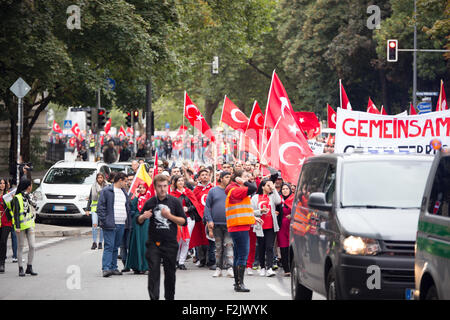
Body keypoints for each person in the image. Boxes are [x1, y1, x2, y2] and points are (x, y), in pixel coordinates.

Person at [137, 174, 187, 300]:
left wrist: (169, 216)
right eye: (159, 186)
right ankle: (154, 298)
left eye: (165, 186)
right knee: (153, 272)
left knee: (170, 273)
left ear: (168, 186)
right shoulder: (150, 202)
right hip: (154, 243)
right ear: (155, 187)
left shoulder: (175, 201)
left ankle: (169, 297)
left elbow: (183, 221)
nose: (162, 189)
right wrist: (143, 216)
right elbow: (138, 220)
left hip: (170, 243)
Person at [225, 169, 261, 292]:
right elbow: (253, 188)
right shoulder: (235, 190)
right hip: (239, 227)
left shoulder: (234, 190)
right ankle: (240, 284)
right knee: (242, 256)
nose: (248, 178)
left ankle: (237, 283)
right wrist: (244, 181)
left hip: (239, 226)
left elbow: (242, 209)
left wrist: (253, 218)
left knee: (238, 256)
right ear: (238, 179)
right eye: (245, 176)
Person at [97, 172, 131, 277]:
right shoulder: (107, 190)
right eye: (125, 181)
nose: (126, 183)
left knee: (116, 247)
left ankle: (113, 267)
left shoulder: (124, 192)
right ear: (120, 180)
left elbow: (127, 206)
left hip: (121, 223)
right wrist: (104, 221)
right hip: (110, 223)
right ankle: (106, 268)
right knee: (109, 246)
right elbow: (101, 207)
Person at [204, 171, 234, 278]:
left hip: (229, 223)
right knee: (218, 247)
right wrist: (209, 220)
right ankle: (218, 268)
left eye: (229, 177)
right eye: (226, 177)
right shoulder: (213, 191)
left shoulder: (232, 191)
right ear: (220, 178)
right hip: (216, 224)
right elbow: (207, 207)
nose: (228, 179)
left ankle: (230, 268)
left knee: (229, 245)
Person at [169, 175, 201, 270]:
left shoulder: (189, 192)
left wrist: (188, 208)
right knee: (178, 240)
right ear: (175, 183)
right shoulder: (172, 194)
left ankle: (182, 261)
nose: (181, 182)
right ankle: (176, 259)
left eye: (182, 180)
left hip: (189, 218)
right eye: (178, 181)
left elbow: (195, 204)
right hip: (178, 219)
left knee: (186, 240)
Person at [251, 179, 281, 277]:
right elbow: (250, 211)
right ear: (263, 186)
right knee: (261, 247)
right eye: (268, 185)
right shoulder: (255, 197)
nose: (270, 187)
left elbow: (278, 201)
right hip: (260, 225)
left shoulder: (272, 196)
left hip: (271, 226)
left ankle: (269, 267)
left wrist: (274, 189)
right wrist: (260, 211)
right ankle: (262, 267)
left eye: (271, 185)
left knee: (269, 247)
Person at [12, 179, 37, 277]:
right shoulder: (17, 197)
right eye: (30, 185)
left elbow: (35, 206)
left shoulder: (30, 196)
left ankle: (29, 267)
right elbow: (16, 213)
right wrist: (17, 226)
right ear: (27, 186)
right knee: (20, 247)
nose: (31, 187)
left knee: (32, 246)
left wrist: (29, 199)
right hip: (21, 226)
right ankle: (20, 268)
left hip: (30, 225)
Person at [125, 183, 150, 274]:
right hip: (136, 221)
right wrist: (136, 195)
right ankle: (136, 266)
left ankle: (144, 266)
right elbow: (132, 207)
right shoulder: (136, 197)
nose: (142, 189)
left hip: (146, 222)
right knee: (136, 243)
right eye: (140, 187)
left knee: (144, 243)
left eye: (144, 188)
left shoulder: (149, 197)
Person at [192, 169, 214, 268]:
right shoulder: (196, 189)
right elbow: (193, 202)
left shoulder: (213, 188)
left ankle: (211, 259)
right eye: (202, 175)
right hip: (199, 217)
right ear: (199, 177)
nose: (205, 176)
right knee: (200, 239)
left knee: (210, 238)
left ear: (209, 176)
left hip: (210, 217)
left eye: (206, 175)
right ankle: (202, 259)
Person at [86, 173, 108, 250]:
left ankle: (100, 242)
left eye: (101, 177)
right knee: (94, 225)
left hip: (103, 209)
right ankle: (94, 242)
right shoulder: (93, 186)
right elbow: (90, 198)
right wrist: (87, 209)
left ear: (103, 178)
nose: (100, 179)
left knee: (102, 227)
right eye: (98, 178)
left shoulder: (106, 186)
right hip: (94, 209)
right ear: (96, 178)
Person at [278, 183, 293, 276]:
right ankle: (286, 269)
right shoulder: (278, 200)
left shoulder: (294, 199)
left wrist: (292, 215)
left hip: (292, 227)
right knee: (283, 247)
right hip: (282, 227)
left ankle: (292, 267)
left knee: (291, 248)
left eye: (287, 188)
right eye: (283, 189)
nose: (285, 190)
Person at [0, 178, 14, 273]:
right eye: (0, 183)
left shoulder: (8, 195)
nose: (2, 185)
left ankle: (2, 263)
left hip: (6, 222)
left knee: (3, 241)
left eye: (3, 183)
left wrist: (13, 199)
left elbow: (13, 207)